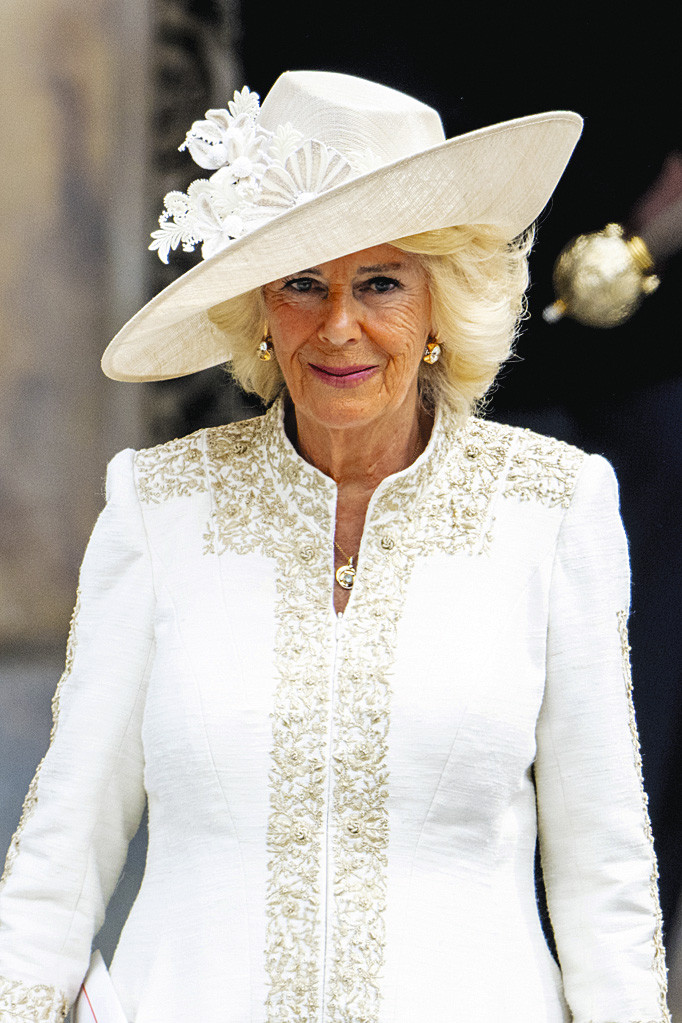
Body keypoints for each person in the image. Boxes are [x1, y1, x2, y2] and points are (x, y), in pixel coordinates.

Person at [0, 70, 670, 1023]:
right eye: (302, 284)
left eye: (381, 282)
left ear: (441, 302)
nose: (338, 325)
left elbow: (606, 878)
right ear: (261, 310)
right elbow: (60, 856)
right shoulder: (161, 505)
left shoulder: (553, 507)